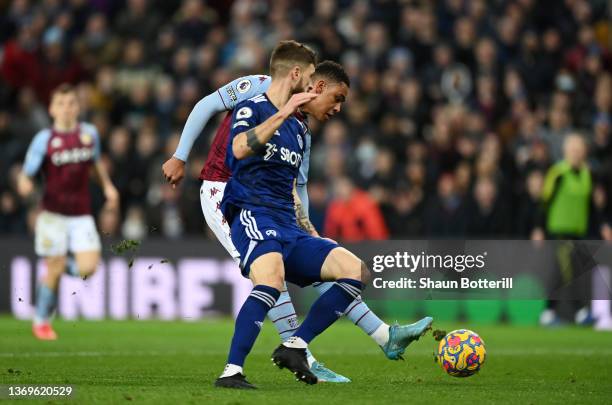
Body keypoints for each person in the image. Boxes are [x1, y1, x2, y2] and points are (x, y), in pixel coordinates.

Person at [162, 61, 432, 382]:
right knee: (270, 275)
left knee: (319, 266)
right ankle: (302, 357)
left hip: (272, 207)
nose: (339, 108)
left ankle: (381, 334)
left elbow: (297, 188)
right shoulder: (258, 87)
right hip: (226, 191)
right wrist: (180, 155)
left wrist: (308, 234)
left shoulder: (301, 128)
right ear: (315, 85)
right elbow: (207, 105)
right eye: (337, 98)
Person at [17, 83, 119, 340]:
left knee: (88, 269)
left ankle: (55, 270)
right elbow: (26, 175)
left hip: (81, 214)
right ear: (52, 109)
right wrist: (25, 187)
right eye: (61, 104)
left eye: (71, 103)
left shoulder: (89, 135)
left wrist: (108, 187)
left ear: (78, 107)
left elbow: (94, 163)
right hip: (52, 215)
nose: (66, 109)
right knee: (55, 265)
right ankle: (41, 321)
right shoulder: (45, 140)